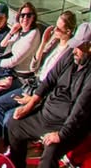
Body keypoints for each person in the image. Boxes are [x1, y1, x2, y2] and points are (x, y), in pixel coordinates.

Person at [5, 22, 91, 168]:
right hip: (46, 114)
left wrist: (61, 135)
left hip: (68, 126)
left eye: (79, 47)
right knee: (14, 125)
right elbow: (50, 79)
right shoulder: (71, 55)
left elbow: (80, 109)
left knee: (49, 156)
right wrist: (30, 104)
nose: (74, 51)